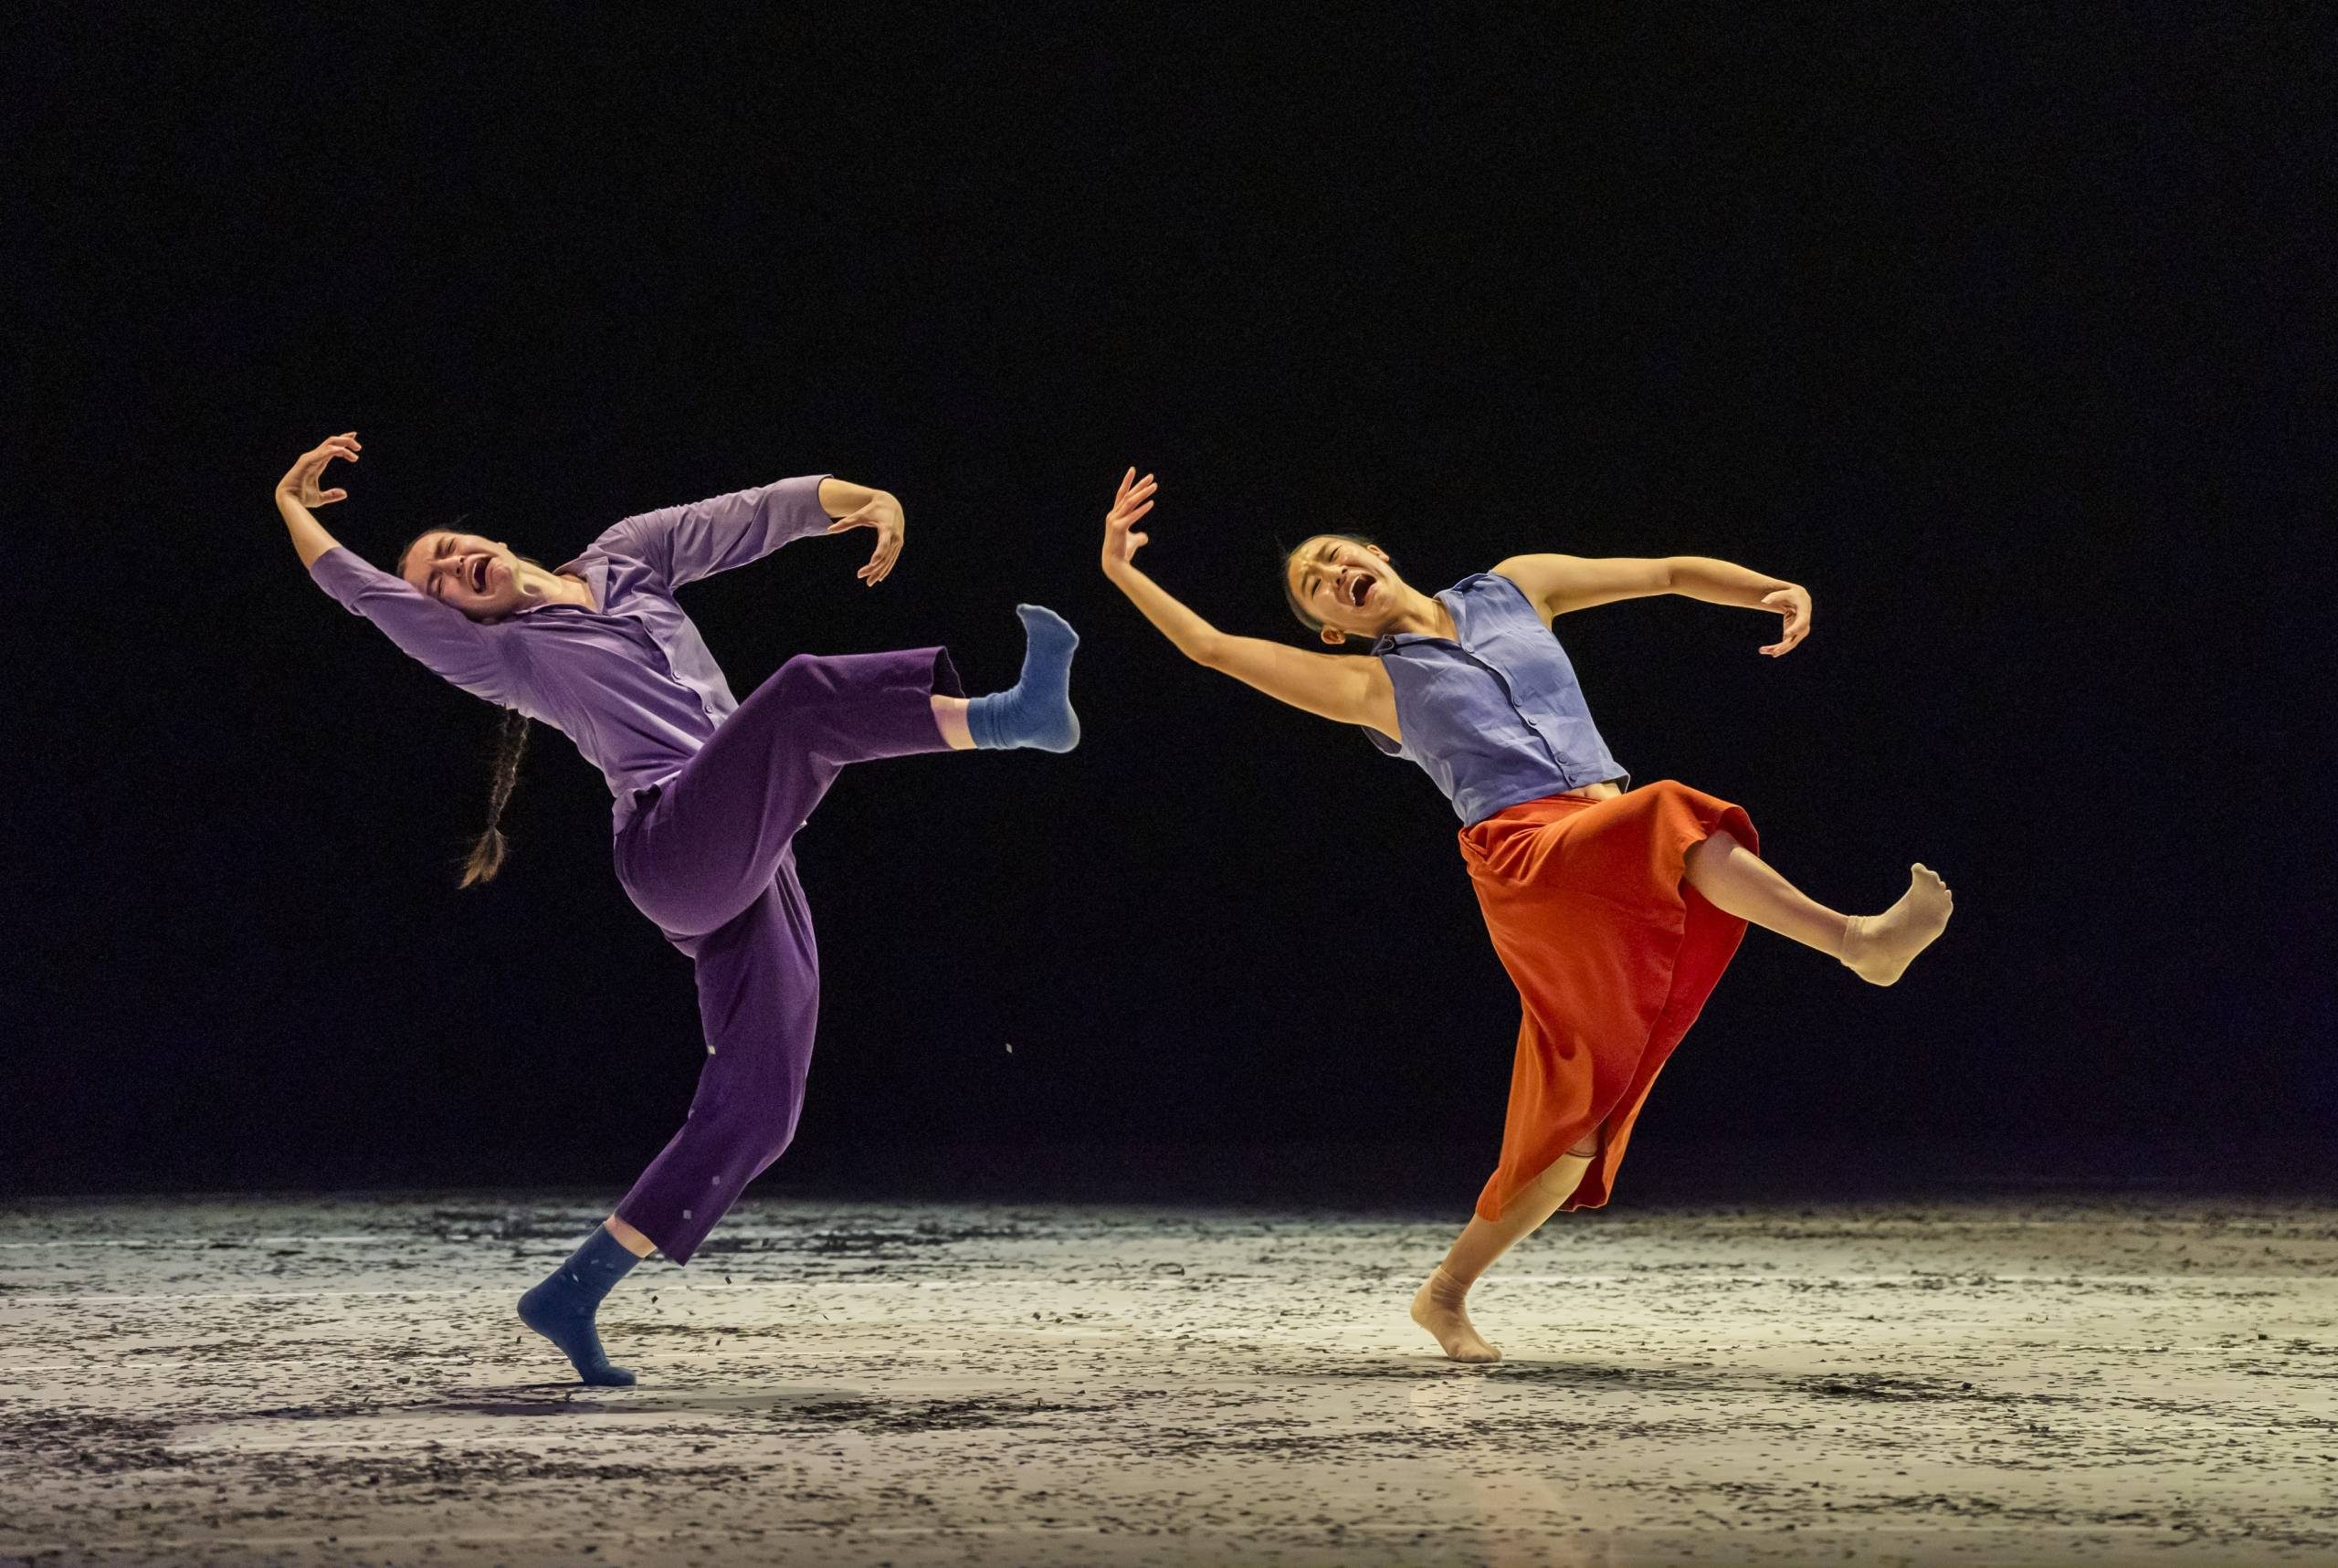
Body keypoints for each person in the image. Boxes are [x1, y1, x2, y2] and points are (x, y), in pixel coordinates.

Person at [274, 433, 1081, 1385]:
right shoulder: (502, 656)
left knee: (762, 1107)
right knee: (802, 698)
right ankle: (1010, 718)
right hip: (672, 848)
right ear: (451, 616)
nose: (452, 570)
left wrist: (863, 499)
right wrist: (289, 503)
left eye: (450, 550)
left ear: (491, 538)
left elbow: (747, 515)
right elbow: (363, 591)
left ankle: (573, 1292)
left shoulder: (625, 556)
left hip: (745, 852)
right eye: (437, 584)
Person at [1095, 468, 1951, 1363]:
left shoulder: (1516, 586)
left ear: (1376, 554)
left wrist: (1769, 589)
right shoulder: (1369, 685)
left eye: (1337, 556)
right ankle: (1856, 941)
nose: (1333, 573)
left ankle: (1444, 1294)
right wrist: (1121, 570)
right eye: (1315, 585)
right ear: (1333, 626)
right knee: (1673, 814)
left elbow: (1663, 573)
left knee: (1577, 1123)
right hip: (1527, 859)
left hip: (1600, 837)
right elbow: (1211, 648)